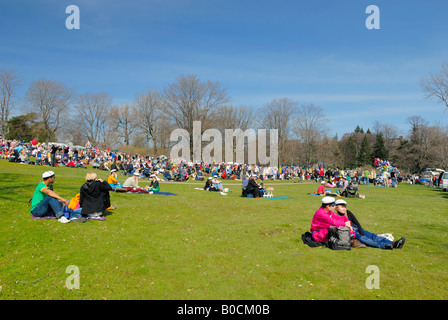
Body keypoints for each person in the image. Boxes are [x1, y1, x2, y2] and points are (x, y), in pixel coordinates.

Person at [334, 199, 405, 249]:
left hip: (356, 229)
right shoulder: (335, 216)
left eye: (345, 207)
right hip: (349, 233)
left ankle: (393, 243)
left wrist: (361, 231)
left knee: (372, 236)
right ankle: (384, 246)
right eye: (342, 207)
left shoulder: (348, 212)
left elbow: (356, 222)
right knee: (363, 238)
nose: (344, 209)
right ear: (336, 208)